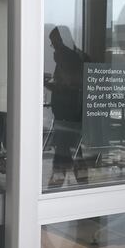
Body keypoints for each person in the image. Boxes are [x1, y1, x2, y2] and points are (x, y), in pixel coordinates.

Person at [45, 26, 88, 187]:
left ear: (63, 41)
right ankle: (83, 188)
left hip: (68, 117)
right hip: (70, 116)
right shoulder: (73, 57)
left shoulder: (69, 58)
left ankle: (53, 191)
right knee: (75, 154)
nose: (54, 47)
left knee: (64, 156)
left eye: (54, 43)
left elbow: (71, 86)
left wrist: (49, 85)